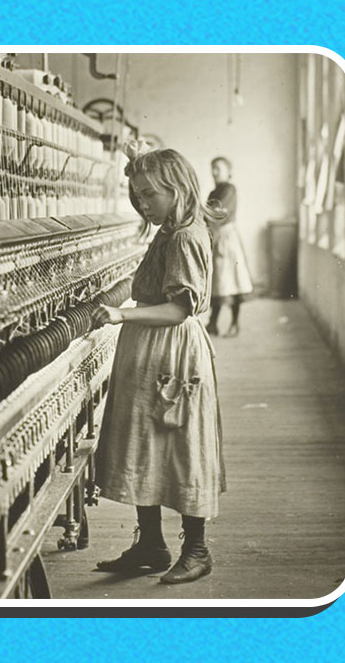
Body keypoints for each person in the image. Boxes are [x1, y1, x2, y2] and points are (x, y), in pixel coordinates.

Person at [91, 144, 226, 585]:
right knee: (144, 443)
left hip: (171, 351)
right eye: (137, 195)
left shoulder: (185, 236)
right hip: (151, 351)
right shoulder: (170, 229)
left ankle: (197, 550)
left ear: (178, 189)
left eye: (150, 194)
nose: (142, 204)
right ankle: (150, 544)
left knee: (182, 447)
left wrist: (119, 314)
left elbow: (178, 310)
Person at [205, 156, 254, 337]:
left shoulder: (229, 190)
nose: (214, 172)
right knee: (219, 282)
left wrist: (204, 217)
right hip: (217, 238)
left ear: (228, 171)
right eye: (213, 168)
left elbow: (218, 213)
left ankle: (234, 324)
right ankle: (213, 323)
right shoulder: (213, 192)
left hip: (227, 239)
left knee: (233, 282)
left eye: (218, 168)